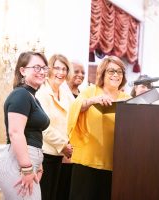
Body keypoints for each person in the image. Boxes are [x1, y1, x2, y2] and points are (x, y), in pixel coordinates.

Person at [68, 56, 130, 200]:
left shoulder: (126, 97)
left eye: (119, 71)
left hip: (114, 162)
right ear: (102, 73)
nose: (116, 75)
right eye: (111, 71)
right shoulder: (91, 91)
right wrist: (92, 101)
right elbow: (76, 108)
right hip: (87, 160)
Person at [0, 51, 50, 199]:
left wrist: (38, 163)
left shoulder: (32, 97)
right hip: (16, 164)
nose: (42, 72)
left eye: (44, 68)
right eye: (37, 67)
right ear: (23, 70)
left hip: (25, 161)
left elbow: (32, 133)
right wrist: (27, 167)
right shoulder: (21, 95)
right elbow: (15, 133)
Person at [35, 54, 74, 200]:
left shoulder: (65, 91)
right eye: (57, 68)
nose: (61, 72)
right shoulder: (41, 92)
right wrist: (63, 145)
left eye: (64, 69)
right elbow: (42, 126)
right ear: (49, 69)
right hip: (44, 154)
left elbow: (75, 112)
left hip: (60, 155)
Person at [56, 61, 85, 200]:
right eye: (77, 71)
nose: (80, 75)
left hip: (79, 152)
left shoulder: (84, 95)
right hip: (62, 149)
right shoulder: (60, 92)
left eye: (83, 72)